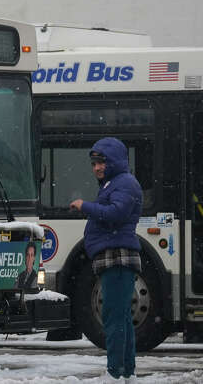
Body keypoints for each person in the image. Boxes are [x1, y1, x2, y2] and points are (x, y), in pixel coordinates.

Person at [70, 137, 142, 383]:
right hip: (112, 258)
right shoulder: (116, 183)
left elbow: (116, 214)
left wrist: (85, 206)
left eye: (102, 162)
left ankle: (115, 373)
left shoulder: (124, 183)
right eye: (94, 163)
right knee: (120, 317)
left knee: (113, 317)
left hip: (117, 259)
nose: (97, 168)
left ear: (115, 161)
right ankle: (127, 372)